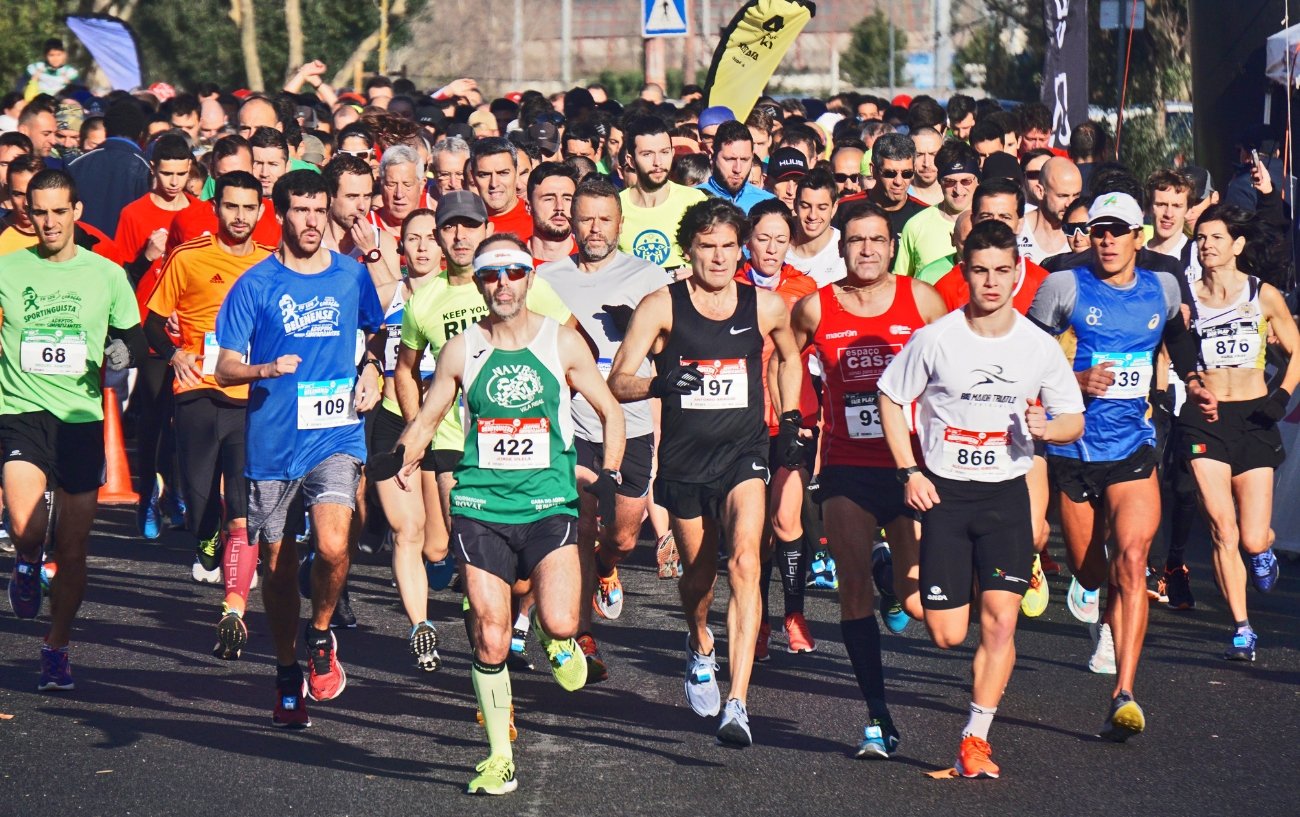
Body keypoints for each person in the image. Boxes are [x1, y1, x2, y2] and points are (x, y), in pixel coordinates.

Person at [375, 233, 625, 796]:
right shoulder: (463, 348)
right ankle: (499, 757)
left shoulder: (561, 343)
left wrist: (607, 477)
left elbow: (611, 411)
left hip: (548, 504)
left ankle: (555, 636)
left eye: (513, 272)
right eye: (491, 275)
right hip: (481, 506)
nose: (503, 285)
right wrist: (404, 457)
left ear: (529, 277)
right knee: (489, 637)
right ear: (481, 282)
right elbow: (430, 411)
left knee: (562, 620)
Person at [878, 219, 1085, 778]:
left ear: (1018, 275)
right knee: (946, 632)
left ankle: (975, 737)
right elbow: (891, 398)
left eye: (1002, 271)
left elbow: (1072, 419)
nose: (991, 283)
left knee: (1000, 623)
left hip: (1005, 499)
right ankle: (894, 572)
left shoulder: (1038, 347)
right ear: (964, 274)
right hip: (944, 494)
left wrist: (1049, 427)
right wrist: (907, 471)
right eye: (980, 272)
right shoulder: (936, 338)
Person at [609, 197, 804, 746]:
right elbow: (619, 379)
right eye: (706, 247)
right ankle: (700, 643)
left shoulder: (763, 307)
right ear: (688, 249)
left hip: (744, 454)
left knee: (745, 560)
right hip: (685, 461)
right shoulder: (661, 306)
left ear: (738, 248)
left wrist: (787, 416)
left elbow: (788, 356)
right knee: (699, 578)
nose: (718, 258)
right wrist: (656, 385)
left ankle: (738, 703)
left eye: (727, 247)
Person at [1027, 191, 1211, 742]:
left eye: (1116, 231)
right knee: (1091, 570)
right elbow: (1024, 358)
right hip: (1075, 449)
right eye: (1096, 230)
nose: (1104, 240)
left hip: (1133, 446)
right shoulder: (1064, 285)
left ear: (1139, 237)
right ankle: (1091, 594)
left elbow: (1179, 340)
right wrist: (1072, 381)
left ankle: (1124, 693)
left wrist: (1194, 379)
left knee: (1133, 560)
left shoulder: (1164, 287)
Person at [213, 170, 385, 727]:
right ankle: (288, 671)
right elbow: (224, 365)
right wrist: (262, 368)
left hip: (335, 434)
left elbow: (378, 330)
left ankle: (320, 634)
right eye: (301, 211)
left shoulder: (349, 276)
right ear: (279, 214)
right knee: (279, 568)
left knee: (334, 545)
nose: (312, 222)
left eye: (319, 210)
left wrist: (374, 369)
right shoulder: (255, 284)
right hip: (273, 439)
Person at [789, 200, 947, 758]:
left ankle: (891, 572)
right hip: (847, 467)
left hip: (914, 469)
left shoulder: (920, 299)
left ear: (892, 246)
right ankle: (877, 717)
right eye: (857, 240)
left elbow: (954, 359)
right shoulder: (815, 309)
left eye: (878, 240)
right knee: (850, 590)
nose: (868, 250)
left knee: (920, 602)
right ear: (842, 247)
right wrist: (795, 419)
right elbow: (787, 359)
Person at [394, 190, 575, 667]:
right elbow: (405, 368)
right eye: (449, 227)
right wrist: (418, 435)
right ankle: (490, 658)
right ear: (438, 236)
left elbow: (571, 342)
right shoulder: (424, 299)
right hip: (458, 447)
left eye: (468, 227)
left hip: (530, 450)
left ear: (482, 230)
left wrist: (551, 415)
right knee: (459, 555)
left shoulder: (517, 279)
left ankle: (524, 621)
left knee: (520, 570)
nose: (459, 236)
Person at [2, 169, 146, 690]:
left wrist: (117, 353)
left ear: (77, 212)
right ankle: (24, 557)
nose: (49, 222)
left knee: (75, 547)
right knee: (26, 526)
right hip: (21, 409)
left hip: (82, 420)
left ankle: (57, 646)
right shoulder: (8, 269)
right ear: (28, 214)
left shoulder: (105, 274)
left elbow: (133, 341)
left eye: (59, 211)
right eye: (39, 212)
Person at [538, 178, 666, 679]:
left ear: (619, 222)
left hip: (630, 426)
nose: (594, 228)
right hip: (574, 426)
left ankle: (607, 567)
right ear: (572, 220)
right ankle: (582, 635)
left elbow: (668, 351)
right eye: (585, 217)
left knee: (624, 537)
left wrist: (638, 326)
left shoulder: (649, 275)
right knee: (581, 523)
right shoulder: (548, 278)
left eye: (604, 219)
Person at [143, 170, 272, 656]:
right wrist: (173, 353)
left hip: (249, 399)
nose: (240, 216)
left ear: (261, 212)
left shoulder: (271, 265)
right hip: (196, 391)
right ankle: (205, 537)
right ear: (217, 208)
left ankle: (232, 611)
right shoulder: (188, 257)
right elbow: (154, 321)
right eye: (231, 206)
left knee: (241, 508)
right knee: (201, 510)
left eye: (249, 208)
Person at [1182, 205, 1299, 660]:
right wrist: (1186, 389)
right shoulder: (1186, 300)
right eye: (1202, 238)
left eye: (1216, 237)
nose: (1207, 245)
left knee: (1252, 537)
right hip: (1206, 420)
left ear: (1237, 245)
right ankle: (1242, 626)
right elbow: (1171, 356)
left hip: (1254, 417)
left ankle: (1264, 548)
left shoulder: (1262, 294)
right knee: (1221, 527)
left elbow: (1295, 349)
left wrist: (1281, 395)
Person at [365, 207, 448, 673]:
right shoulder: (382, 296)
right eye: (412, 239)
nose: (421, 246)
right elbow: (365, 346)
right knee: (407, 530)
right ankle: (420, 628)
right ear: (401, 248)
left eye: (429, 238)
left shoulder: (461, 295)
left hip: (443, 425)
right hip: (394, 422)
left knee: (437, 545)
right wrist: (369, 369)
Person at [736, 199, 818, 659]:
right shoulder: (731, 284)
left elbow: (821, 358)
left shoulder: (804, 289)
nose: (770, 248)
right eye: (762, 238)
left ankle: (794, 613)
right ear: (748, 240)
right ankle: (761, 621)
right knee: (755, 534)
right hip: (742, 420)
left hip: (790, 417)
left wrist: (816, 415)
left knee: (787, 518)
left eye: (780, 240)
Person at [116, 133, 196, 540]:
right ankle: (148, 494)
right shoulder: (134, 214)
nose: (174, 182)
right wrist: (144, 258)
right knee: (153, 418)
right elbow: (119, 278)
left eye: (182, 173)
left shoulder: (201, 212)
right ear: (153, 170)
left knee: (185, 420)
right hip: (150, 332)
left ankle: (177, 491)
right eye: (167, 173)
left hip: (192, 331)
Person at [617, 116, 707, 275]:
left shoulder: (694, 201)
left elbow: (712, 257)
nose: (658, 162)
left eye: (664, 152)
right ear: (631, 161)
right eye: (647, 154)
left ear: (672, 153)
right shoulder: (616, 206)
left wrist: (697, 274)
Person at [895, 141, 980, 277]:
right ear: (940, 182)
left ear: (978, 181)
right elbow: (901, 281)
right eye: (949, 182)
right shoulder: (916, 225)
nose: (958, 190)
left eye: (966, 181)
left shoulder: (990, 222)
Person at [67, 100, 151, 238]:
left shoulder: (76, 164)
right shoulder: (146, 168)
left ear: (105, 129)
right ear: (141, 134)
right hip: (125, 255)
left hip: (82, 250)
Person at [696, 120, 775, 213]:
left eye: (744, 160)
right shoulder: (693, 199)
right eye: (730, 159)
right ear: (713, 156)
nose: (737, 169)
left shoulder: (769, 204)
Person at [787, 167, 846, 286]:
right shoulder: (777, 246)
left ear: (834, 208)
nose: (813, 216)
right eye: (805, 206)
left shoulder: (847, 249)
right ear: (795, 205)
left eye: (822, 208)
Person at [469, 137, 532, 241]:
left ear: (516, 173)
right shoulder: (462, 226)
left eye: (503, 173)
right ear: (473, 177)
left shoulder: (539, 222)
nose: (494, 183)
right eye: (484, 175)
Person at [1020, 157, 1081, 263]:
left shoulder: (1084, 235)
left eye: (1076, 195)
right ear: (1040, 192)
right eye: (1062, 196)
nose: (1070, 204)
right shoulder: (1017, 231)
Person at [527, 162, 578, 265]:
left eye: (567, 199)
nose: (559, 207)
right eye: (549, 199)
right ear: (529, 207)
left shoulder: (591, 263)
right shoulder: (512, 261)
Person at [909, 128, 944, 206]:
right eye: (919, 155)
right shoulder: (900, 195)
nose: (926, 164)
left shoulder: (957, 193)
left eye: (933, 154)